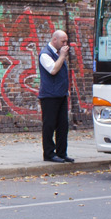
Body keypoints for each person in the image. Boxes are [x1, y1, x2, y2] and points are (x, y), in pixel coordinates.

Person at [38, 29, 74, 163]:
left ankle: (62, 152)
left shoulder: (59, 54)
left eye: (66, 41)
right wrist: (62, 56)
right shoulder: (45, 54)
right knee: (49, 125)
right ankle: (48, 153)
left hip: (61, 94)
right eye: (63, 41)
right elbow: (53, 70)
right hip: (49, 96)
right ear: (55, 40)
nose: (65, 44)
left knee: (63, 125)